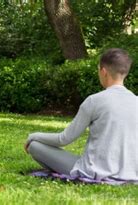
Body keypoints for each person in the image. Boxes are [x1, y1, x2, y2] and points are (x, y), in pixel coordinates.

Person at [25, 48, 137, 181]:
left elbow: (63, 139)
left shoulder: (94, 101)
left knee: (34, 146)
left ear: (103, 71)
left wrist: (33, 136)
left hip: (92, 171)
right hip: (131, 173)